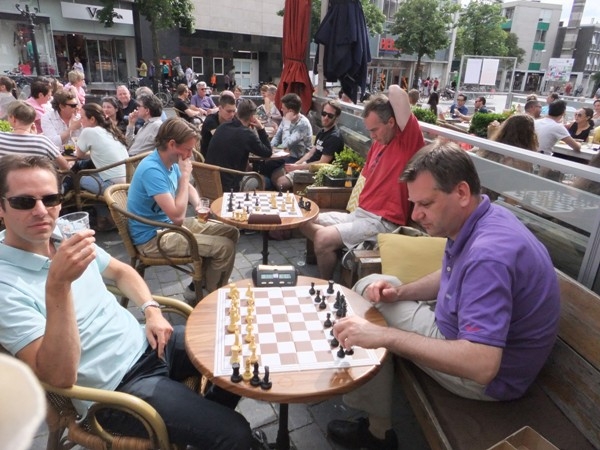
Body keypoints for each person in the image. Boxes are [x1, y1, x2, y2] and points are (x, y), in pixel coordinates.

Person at [0, 155, 253, 449]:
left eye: (50, 198)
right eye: (23, 202)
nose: (41, 211)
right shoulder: (6, 285)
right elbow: (59, 376)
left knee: (239, 348)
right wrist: (58, 286)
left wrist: (152, 310)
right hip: (118, 390)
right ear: (1, 208)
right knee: (236, 433)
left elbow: (121, 272)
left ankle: (205, 425)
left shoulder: (64, 237)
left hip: (149, 342)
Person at [326, 142, 560, 449]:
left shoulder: (488, 255)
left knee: (368, 306)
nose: (415, 214)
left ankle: (377, 432)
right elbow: (452, 274)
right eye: (413, 203)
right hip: (473, 340)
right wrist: (400, 293)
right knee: (379, 288)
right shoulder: (481, 218)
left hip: (488, 380)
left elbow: (482, 365)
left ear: (461, 192)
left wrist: (385, 336)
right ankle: (374, 413)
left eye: (425, 203)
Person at [299, 85, 424, 280]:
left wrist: (379, 100)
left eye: (375, 130)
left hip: (383, 222)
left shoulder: (406, 141)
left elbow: (395, 91)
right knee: (303, 219)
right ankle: (344, 246)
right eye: (369, 130)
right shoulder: (377, 144)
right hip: (360, 214)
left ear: (391, 122)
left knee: (322, 239)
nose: (372, 136)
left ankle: (326, 285)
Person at [128, 118, 240, 297]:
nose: (189, 155)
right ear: (172, 144)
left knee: (231, 232)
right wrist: (186, 175)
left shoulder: (170, 161)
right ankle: (211, 295)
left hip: (167, 226)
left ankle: (200, 286)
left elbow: (187, 188)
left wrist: (198, 205)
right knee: (224, 248)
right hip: (152, 238)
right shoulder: (152, 170)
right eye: (188, 149)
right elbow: (177, 217)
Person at [274, 100, 345, 191]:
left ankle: (290, 197)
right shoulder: (322, 131)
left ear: (336, 118)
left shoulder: (334, 137)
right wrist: (295, 164)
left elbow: (322, 163)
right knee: (276, 174)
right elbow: (311, 153)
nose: (326, 117)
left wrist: (298, 167)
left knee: (281, 182)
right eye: (324, 114)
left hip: (318, 172)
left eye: (330, 116)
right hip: (307, 165)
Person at [205, 99, 272, 192]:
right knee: (265, 180)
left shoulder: (222, 127)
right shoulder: (247, 134)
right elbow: (268, 152)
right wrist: (260, 128)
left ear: (237, 113)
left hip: (209, 181)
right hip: (230, 187)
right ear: (252, 117)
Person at [75, 103, 129, 194]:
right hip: (129, 182)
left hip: (113, 187)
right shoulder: (111, 130)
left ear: (92, 119)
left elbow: (79, 155)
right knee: (89, 172)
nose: (80, 121)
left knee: (75, 176)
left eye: (82, 117)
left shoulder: (88, 131)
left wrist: (72, 128)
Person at [0, 101, 69, 171]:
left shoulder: (1, 138)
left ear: (13, 119)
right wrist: (35, 136)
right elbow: (65, 166)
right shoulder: (43, 142)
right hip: (34, 177)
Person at [264, 93, 312, 187]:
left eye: (283, 108)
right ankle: (267, 187)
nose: (281, 110)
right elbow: (277, 136)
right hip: (286, 154)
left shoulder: (303, 124)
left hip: (299, 158)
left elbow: (286, 143)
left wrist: (287, 122)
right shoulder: (285, 118)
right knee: (265, 163)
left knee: (270, 167)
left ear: (290, 111)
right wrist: (270, 148)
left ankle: (271, 189)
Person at [200, 93, 237, 157]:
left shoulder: (233, 120)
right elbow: (222, 140)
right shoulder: (210, 121)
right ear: (220, 108)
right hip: (211, 158)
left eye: (233, 111)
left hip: (225, 155)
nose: (232, 115)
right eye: (228, 111)